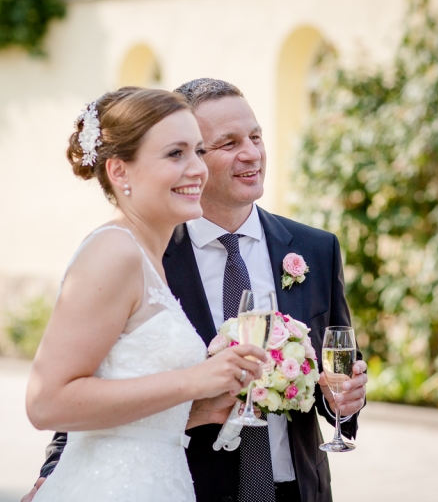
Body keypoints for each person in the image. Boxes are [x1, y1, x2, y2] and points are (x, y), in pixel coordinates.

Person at [23, 79, 368, 502]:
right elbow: (81, 381)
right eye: (223, 143)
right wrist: (58, 471)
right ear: (120, 170)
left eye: (256, 136)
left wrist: (341, 401)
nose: (251, 153)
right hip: (187, 486)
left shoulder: (316, 248)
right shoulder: (134, 253)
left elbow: (336, 370)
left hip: (296, 489)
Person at [24, 87, 267, 502]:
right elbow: (47, 402)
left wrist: (196, 412)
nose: (197, 169)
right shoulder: (114, 252)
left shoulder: (145, 252)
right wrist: (193, 379)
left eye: (197, 151)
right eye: (175, 154)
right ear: (120, 172)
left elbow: (122, 399)